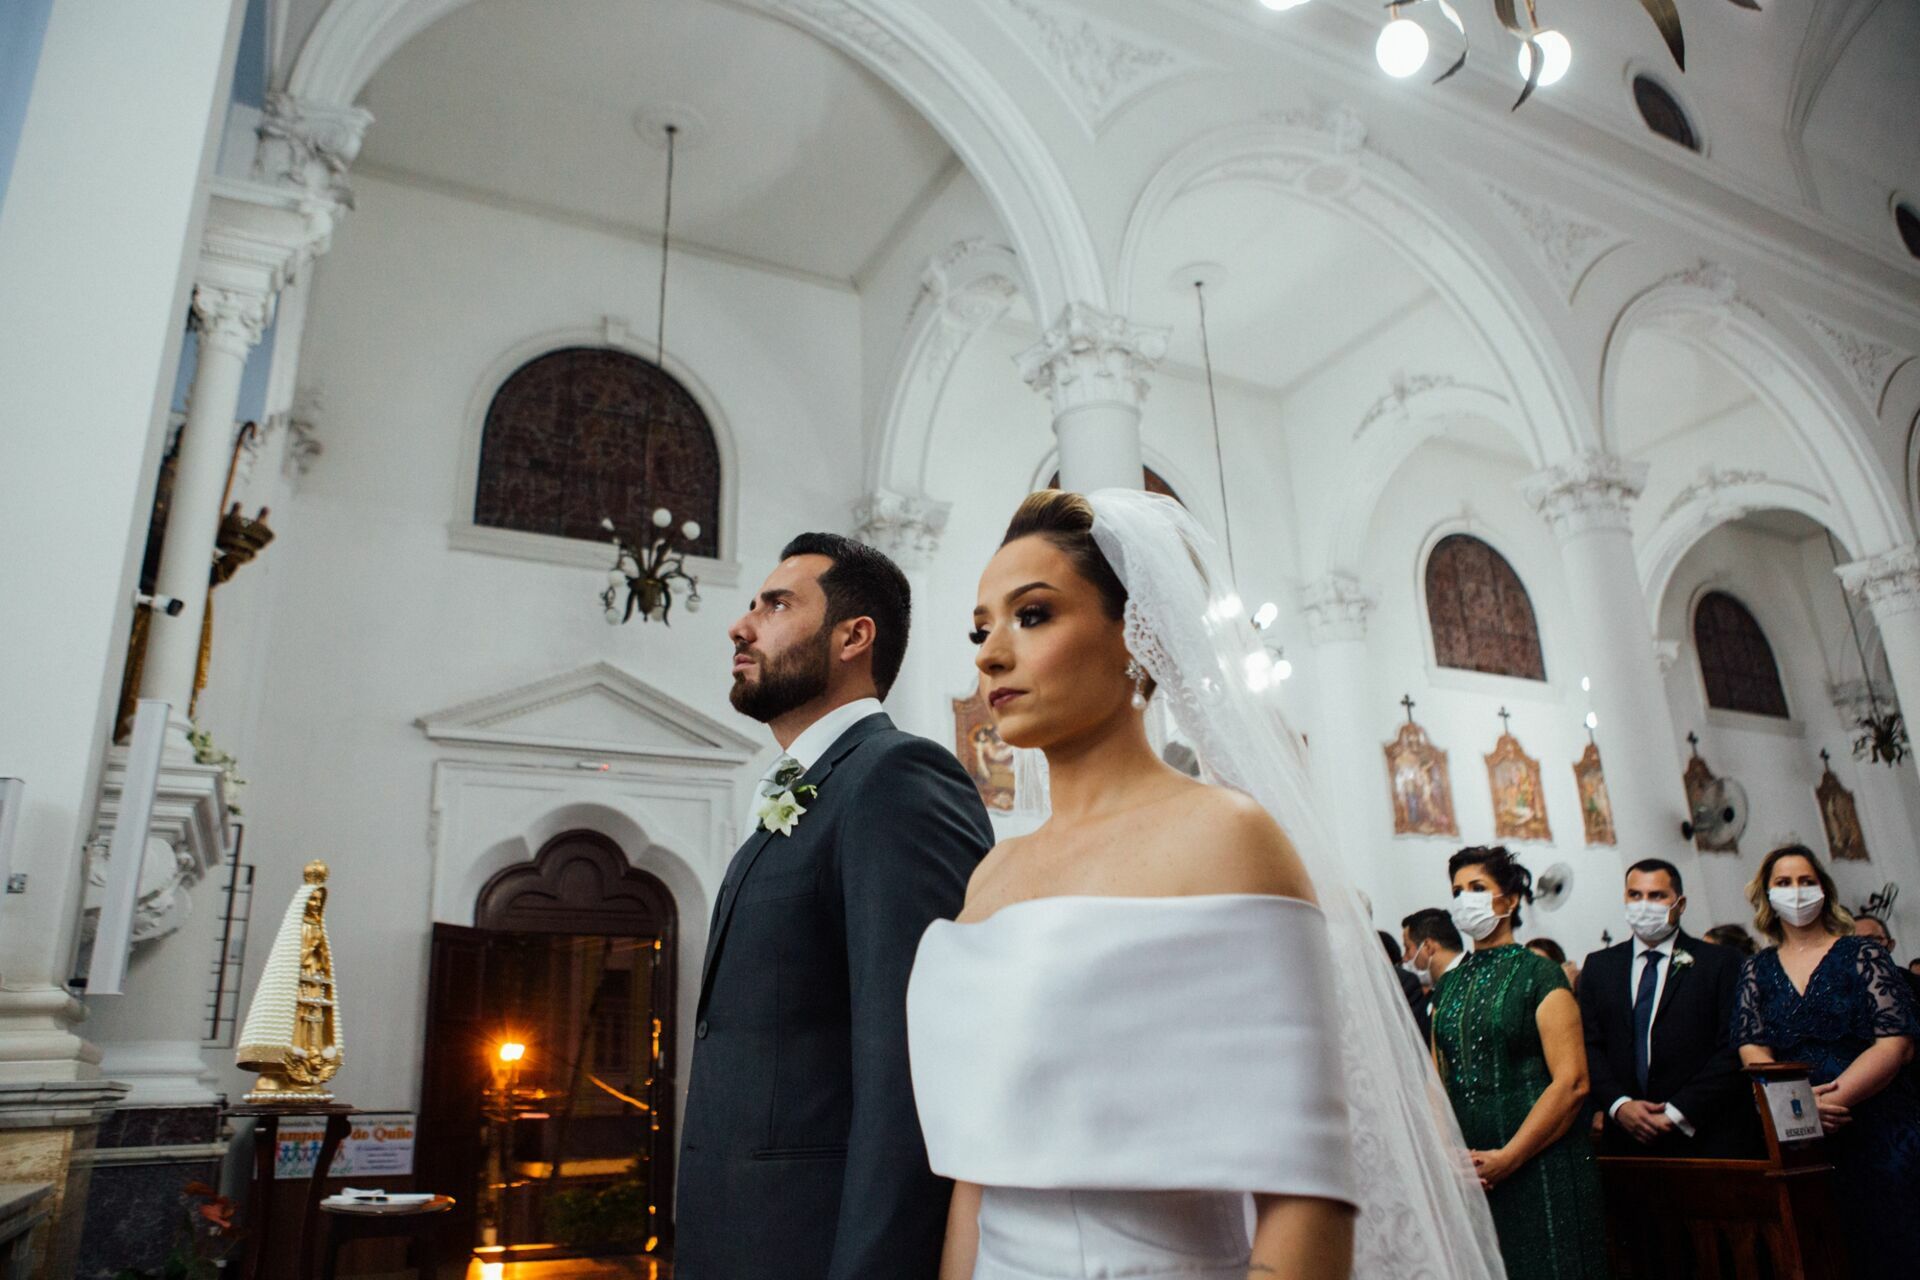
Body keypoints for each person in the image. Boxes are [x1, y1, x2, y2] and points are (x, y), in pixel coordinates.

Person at [907, 491, 1502, 1280]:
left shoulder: (1226, 837)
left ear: (1136, 635)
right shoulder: (991, 874)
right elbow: (975, 1180)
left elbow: (1305, 1199)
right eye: (981, 629)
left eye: (1035, 615)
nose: (988, 653)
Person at [676, 533, 994, 1280]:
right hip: (737, 1242)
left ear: (853, 637)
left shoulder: (897, 779)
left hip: (814, 1251)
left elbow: (913, 1070)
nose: (741, 625)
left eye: (777, 605)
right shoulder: (802, 790)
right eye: (750, 604)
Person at [1733, 844, 1920, 1267]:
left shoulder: (1861, 953)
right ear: (1766, 894)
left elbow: (1894, 1042)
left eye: (1806, 881)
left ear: (1823, 890)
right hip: (1801, 1139)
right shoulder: (1756, 969)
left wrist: (1830, 1103)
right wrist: (1799, 1112)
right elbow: (1751, 1045)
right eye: (1783, 883)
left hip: (1874, 1122)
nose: (1796, 892)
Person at [1432, 845, 1604, 1280]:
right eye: (1457, 891)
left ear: (1508, 901)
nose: (1464, 899)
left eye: (1477, 887)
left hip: (1541, 1163)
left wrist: (1510, 1156)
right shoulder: (1448, 986)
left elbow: (1573, 1082)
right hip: (1473, 1174)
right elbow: (1437, 1081)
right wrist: (1450, 1155)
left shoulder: (1538, 973)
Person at [1578, 859, 1755, 1162]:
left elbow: (1731, 1046)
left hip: (1705, 1134)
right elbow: (1589, 1046)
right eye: (1635, 895)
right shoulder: (1599, 966)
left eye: (1657, 896)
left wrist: (1677, 1111)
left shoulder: (1720, 962)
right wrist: (1619, 1105)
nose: (1644, 905)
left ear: (1680, 903)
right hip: (1624, 1141)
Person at [1402, 907, 1466, 1042]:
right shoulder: (1432, 996)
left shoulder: (1474, 978)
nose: (1405, 958)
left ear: (1428, 947)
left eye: (1407, 948)